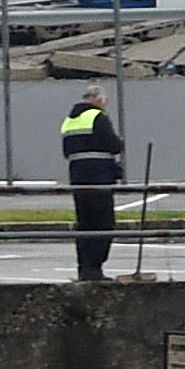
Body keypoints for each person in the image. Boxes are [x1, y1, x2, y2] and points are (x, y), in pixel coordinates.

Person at [59, 85, 123, 281]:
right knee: (104, 223)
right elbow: (113, 145)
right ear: (97, 99)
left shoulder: (69, 120)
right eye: (104, 100)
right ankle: (95, 268)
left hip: (78, 177)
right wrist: (120, 143)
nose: (105, 105)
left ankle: (85, 268)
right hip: (99, 177)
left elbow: (66, 152)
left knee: (85, 224)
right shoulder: (97, 117)